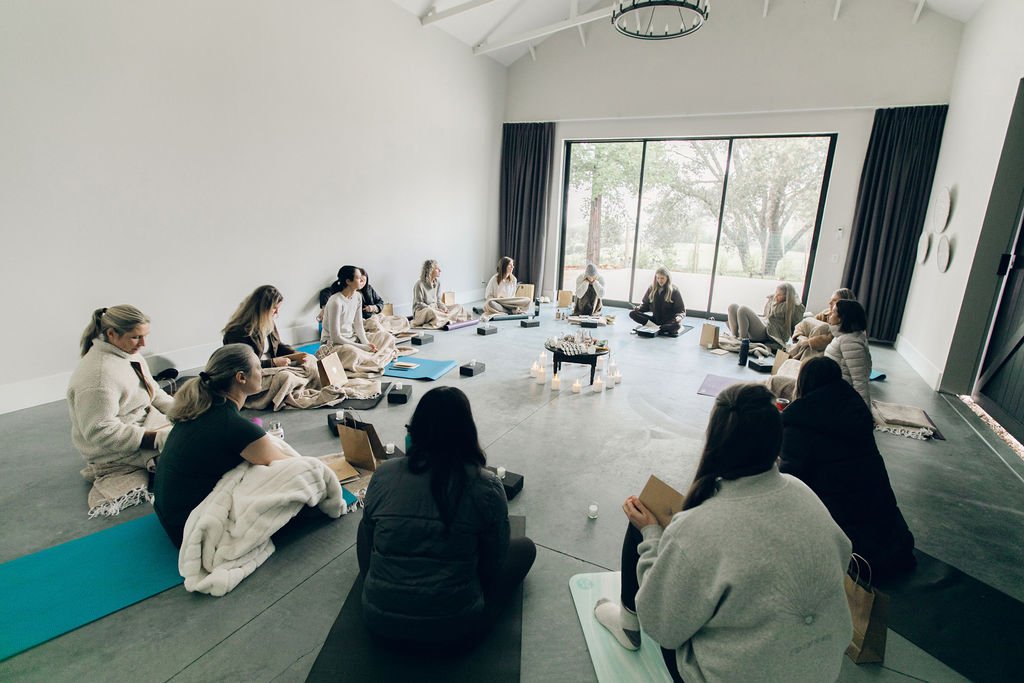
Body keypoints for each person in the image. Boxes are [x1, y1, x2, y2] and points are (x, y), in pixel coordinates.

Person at [594, 383, 852, 683]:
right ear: (776, 440)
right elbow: (841, 555)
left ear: (714, 441)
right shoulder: (804, 493)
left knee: (641, 522)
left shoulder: (699, 528)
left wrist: (652, 536)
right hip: (822, 670)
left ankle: (627, 625)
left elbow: (662, 626)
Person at [358, 387, 536, 645]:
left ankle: (379, 590)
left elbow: (372, 534)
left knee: (364, 528)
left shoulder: (384, 474)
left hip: (379, 622)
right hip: (456, 628)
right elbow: (494, 561)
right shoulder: (485, 485)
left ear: (415, 429)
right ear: (467, 433)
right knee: (525, 549)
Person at [780, 357, 916, 580]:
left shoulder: (799, 422)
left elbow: (790, 483)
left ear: (803, 382)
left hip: (849, 549)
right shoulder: (856, 413)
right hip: (893, 542)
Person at [153, 344, 289, 547]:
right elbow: (288, 468)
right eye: (258, 368)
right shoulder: (233, 425)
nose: (262, 372)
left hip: (169, 516)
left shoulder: (201, 409)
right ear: (241, 378)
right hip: (190, 529)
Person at [67, 305, 175, 515]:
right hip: (116, 449)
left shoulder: (127, 353)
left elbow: (153, 390)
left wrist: (183, 411)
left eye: (145, 336)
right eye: (136, 337)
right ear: (111, 334)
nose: (143, 344)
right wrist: (156, 439)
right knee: (200, 456)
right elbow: (100, 431)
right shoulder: (98, 377)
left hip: (145, 423)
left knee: (207, 433)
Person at [318, 265, 399, 374]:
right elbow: (336, 337)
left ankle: (368, 358)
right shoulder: (335, 301)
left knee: (387, 337)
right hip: (334, 345)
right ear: (348, 281)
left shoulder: (357, 296)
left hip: (353, 339)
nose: (361, 279)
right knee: (353, 353)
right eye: (358, 277)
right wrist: (362, 347)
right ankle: (370, 358)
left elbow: (358, 325)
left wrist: (367, 343)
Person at [222, 285, 309, 369]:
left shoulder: (268, 323)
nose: (277, 313)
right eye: (274, 308)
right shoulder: (237, 332)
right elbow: (243, 364)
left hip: (273, 369)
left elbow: (278, 346)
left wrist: (296, 354)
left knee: (310, 363)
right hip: (254, 375)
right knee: (288, 377)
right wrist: (273, 363)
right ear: (262, 309)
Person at [727, 282, 805, 347]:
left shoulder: (792, 307)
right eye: (776, 293)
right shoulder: (775, 301)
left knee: (743, 309)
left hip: (768, 333)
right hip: (764, 324)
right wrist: (772, 300)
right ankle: (735, 337)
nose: (776, 296)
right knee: (732, 307)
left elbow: (797, 326)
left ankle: (742, 340)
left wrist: (797, 343)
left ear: (787, 296)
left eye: (779, 295)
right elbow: (766, 315)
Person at [825, 299, 872, 406]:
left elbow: (860, 380)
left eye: (833, 312)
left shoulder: (850, 342)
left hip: (837, 392)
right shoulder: (843, 336)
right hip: (830, 385)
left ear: (842, 318)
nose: (829, 315)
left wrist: (864, 411)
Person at [788, 288, 856, 361]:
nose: (829, 303)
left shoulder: (849, 322)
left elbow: (831, 339)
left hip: (828, 354)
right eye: (831, 299)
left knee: (823, 328)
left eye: (835, 300)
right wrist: (800, 337)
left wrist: (809, 342)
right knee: (808, 321)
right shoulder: (826, 313)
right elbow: (804, 324)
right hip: (809, 348)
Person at [411, 259, 470, 328]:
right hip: (423, 311)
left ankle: (444, 318)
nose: (440, 270)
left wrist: (444, 308)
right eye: (437, 269)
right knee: (432, 312)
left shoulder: (438, 283)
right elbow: (419, 304)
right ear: (430, 270)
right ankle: (448, 318)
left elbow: (438, 301)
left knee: (459, 307)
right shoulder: (419, 284)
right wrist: (434, 309)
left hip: (436, 310)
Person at [628, 267, 685, 336]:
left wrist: (679, 317)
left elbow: (680, 309)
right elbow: (645, 305)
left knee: (677, 325)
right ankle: (659, 329)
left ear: (667, 278)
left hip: (668, 321)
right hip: (655, 320)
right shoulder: (651, 288)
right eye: (658, 278)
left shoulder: (674, 290)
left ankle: (658, 328)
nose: (660, 280)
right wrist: (638, 308)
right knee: (632, 313)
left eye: (662, 278)